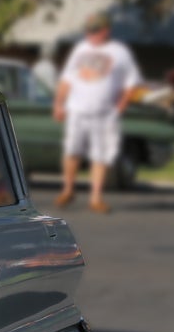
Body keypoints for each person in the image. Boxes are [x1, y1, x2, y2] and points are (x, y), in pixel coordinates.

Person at [52, 12, 141, 214]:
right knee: (71, 150)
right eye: (89, 31)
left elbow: (131, 82)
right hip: (77, 110)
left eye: (95, 32)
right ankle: (68, 189)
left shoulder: (119, 52)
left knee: (100, 155)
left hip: (104, 113)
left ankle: (96, 197)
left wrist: (121, 105)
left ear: (105, 31)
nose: (91, 36)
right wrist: (59, 103)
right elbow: (67, 79)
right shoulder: (80, 49)